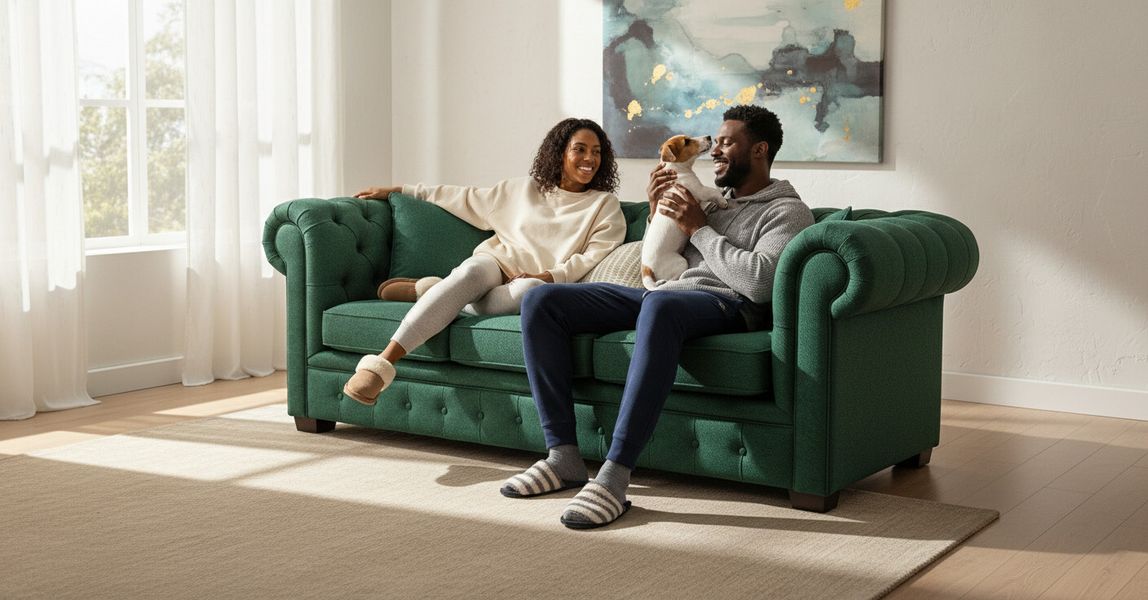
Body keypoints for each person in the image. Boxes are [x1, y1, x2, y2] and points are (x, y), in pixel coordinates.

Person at [502, 105, 815, 529]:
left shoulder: (787, 212)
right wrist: (655, 211)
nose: (715, 150)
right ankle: (563, 458)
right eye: (716, 143)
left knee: (660, 304)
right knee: (544, 300)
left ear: (759, 150)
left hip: (727, 304)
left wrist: (701, 228)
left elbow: (759, 284)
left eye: (726, 143)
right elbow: (666, 246)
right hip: (666, 293)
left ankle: (614, 477)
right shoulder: (714, 198)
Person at [343, 118, 626, 406]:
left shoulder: (604, 206)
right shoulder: (522, 190)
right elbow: (462, 197)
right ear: (560, 152)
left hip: (531, 283)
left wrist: (549, 276)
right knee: (470, 273)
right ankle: (380, 365)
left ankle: (435, 291)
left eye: (597, 151)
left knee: (531, 292)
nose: (590, 158)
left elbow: (594, 256)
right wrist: (398, 190)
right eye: (580, 149)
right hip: (496, 263)